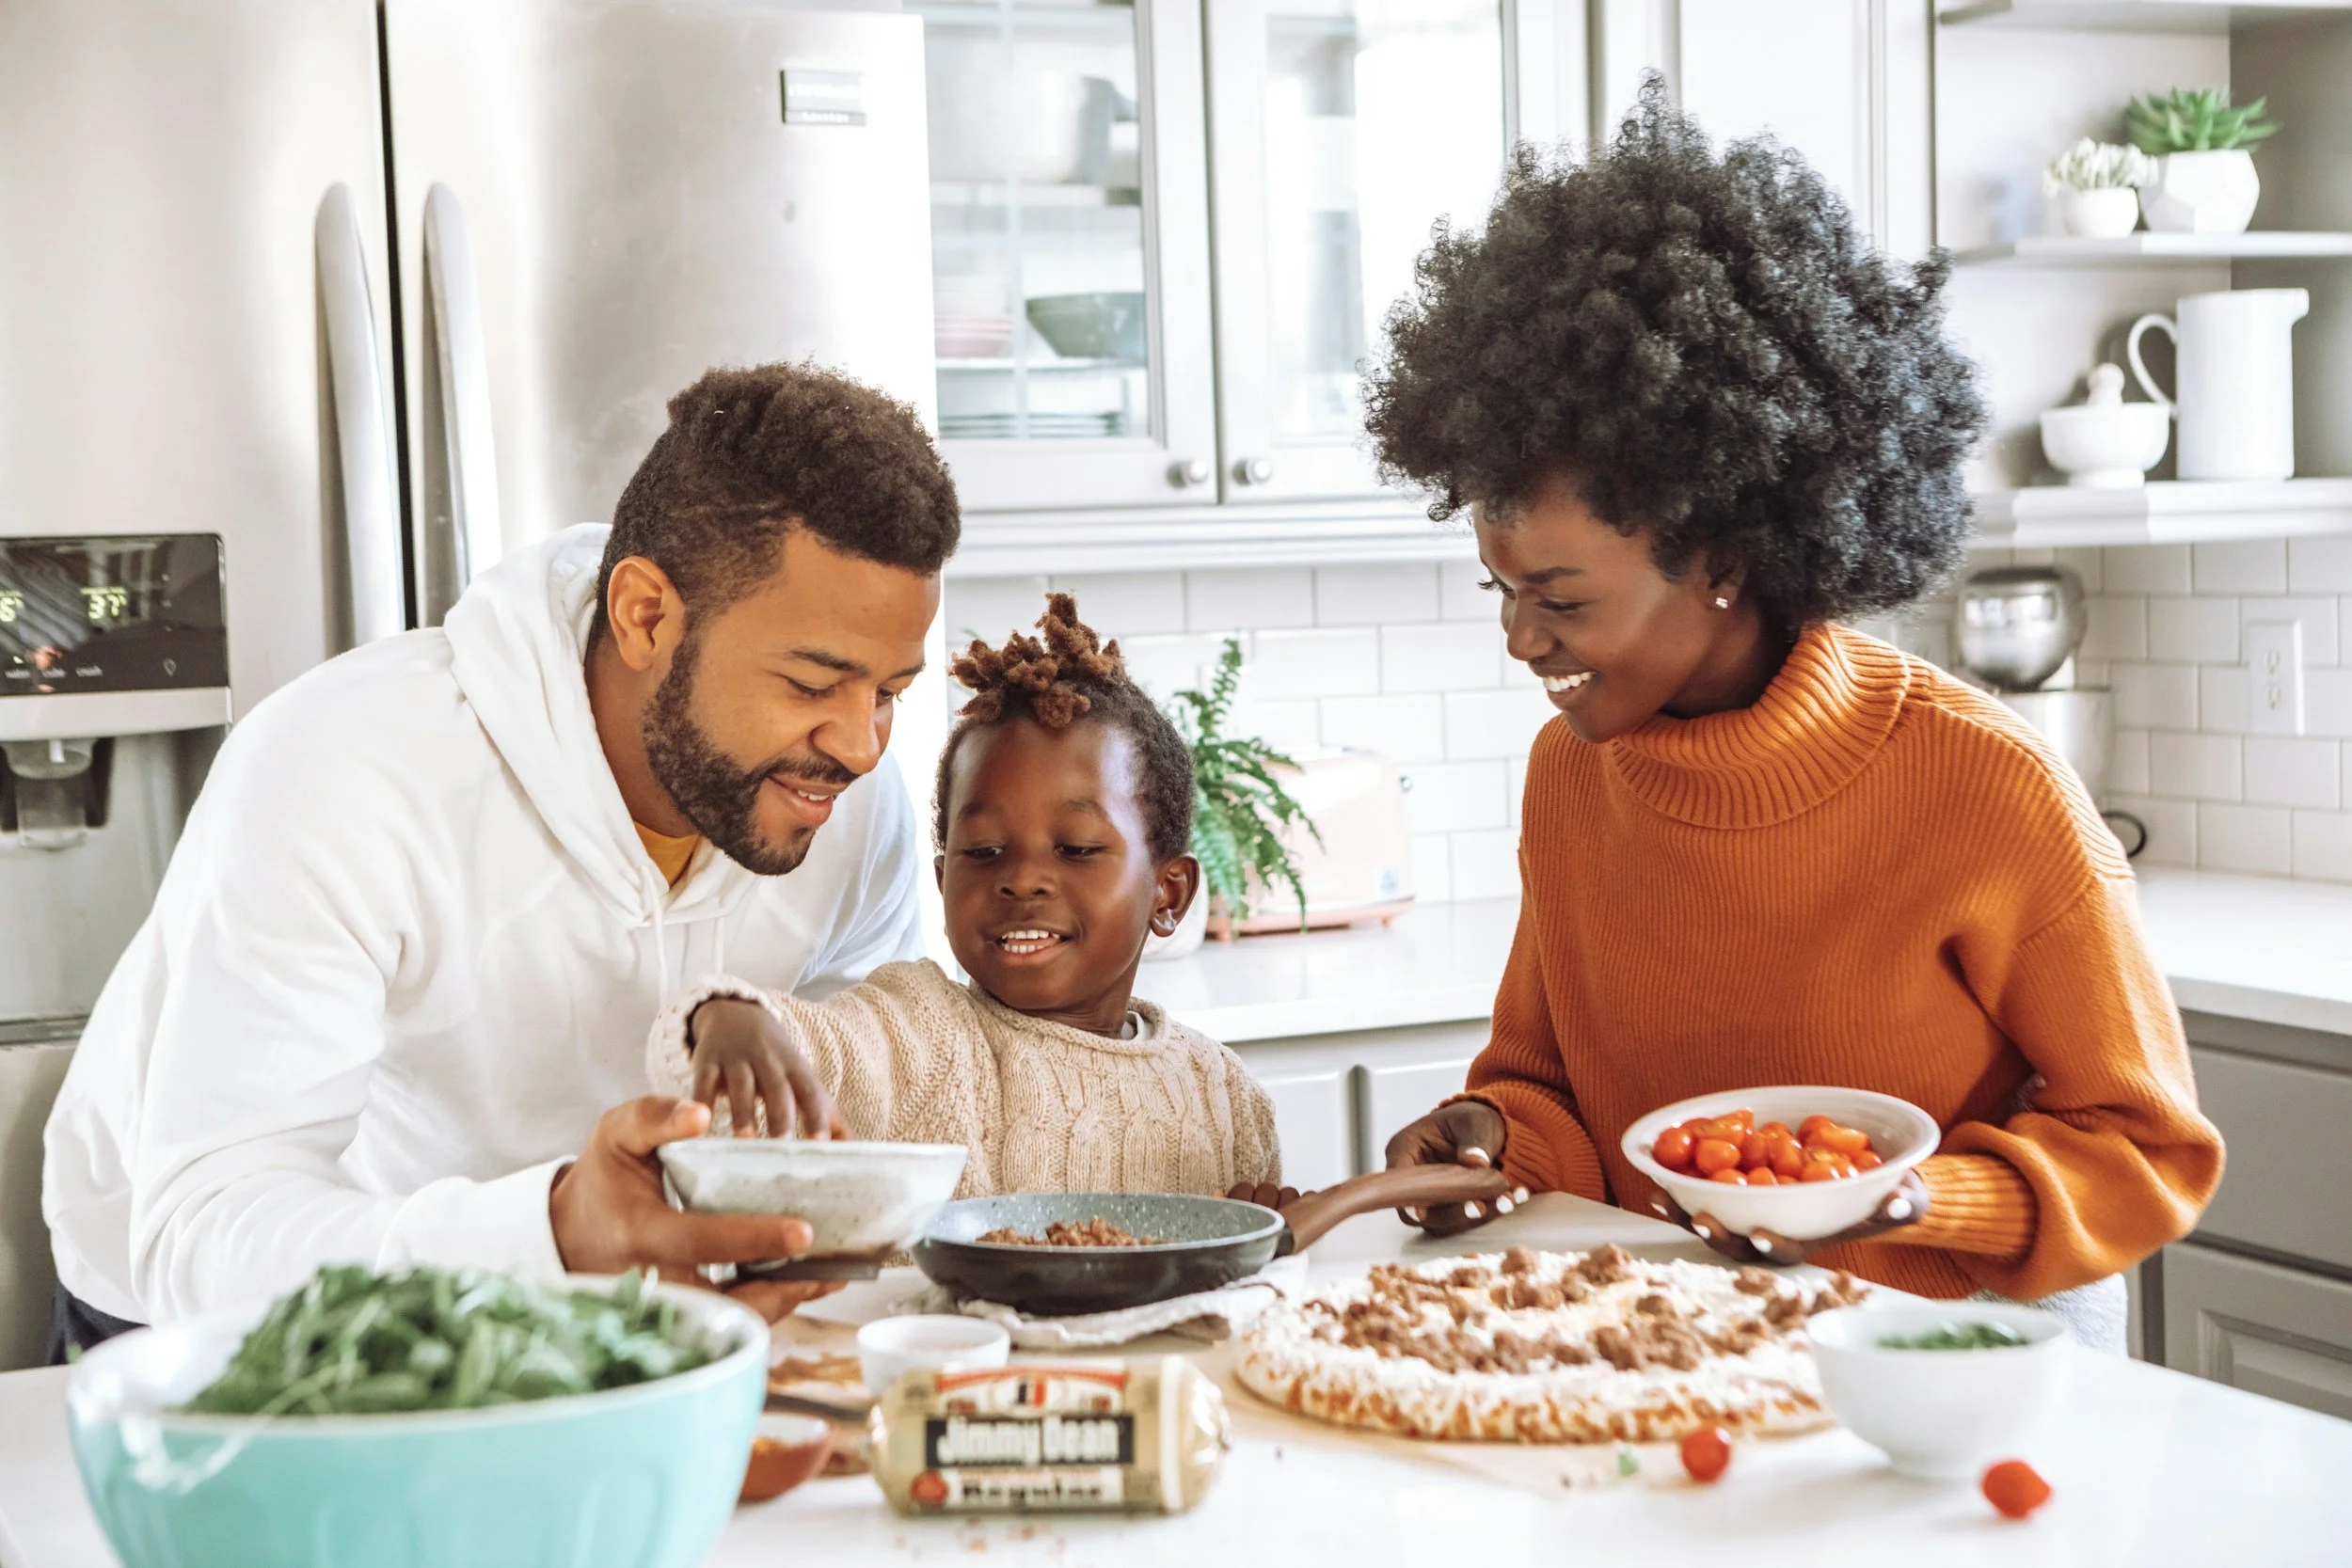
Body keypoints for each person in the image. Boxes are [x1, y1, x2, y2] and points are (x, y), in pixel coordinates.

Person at [1374, 85, 2223, 1353]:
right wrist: (1489, 1134)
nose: (1518, 636)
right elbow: (1545, 1087)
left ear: (1721, 551)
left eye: (1557, 597)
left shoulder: (1984, 784)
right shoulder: (1573, 774)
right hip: (1682, 1331)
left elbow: (2146, 1145)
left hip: (1960, 1344)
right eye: (1501, 588)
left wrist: (1909, 1195)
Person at [42, 362, 959, 1357]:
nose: (863, 745)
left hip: (595, 1317)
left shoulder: (842, 806)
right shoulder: (344, 770)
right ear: (646, 615)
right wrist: (555, 1229)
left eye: (891, 691)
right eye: (812, 682)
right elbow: (201, 1232)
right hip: (217, 1333)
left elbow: (844, 1087)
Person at [648, 594, 1285, 1201]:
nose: (1024, 879)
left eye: (1077, 848)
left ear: (1168, 893)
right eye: (983, 851)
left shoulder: (1226, 1096)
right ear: (943, 874)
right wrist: (725, 1017)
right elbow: (807, 1049)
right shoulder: (918, 1032)